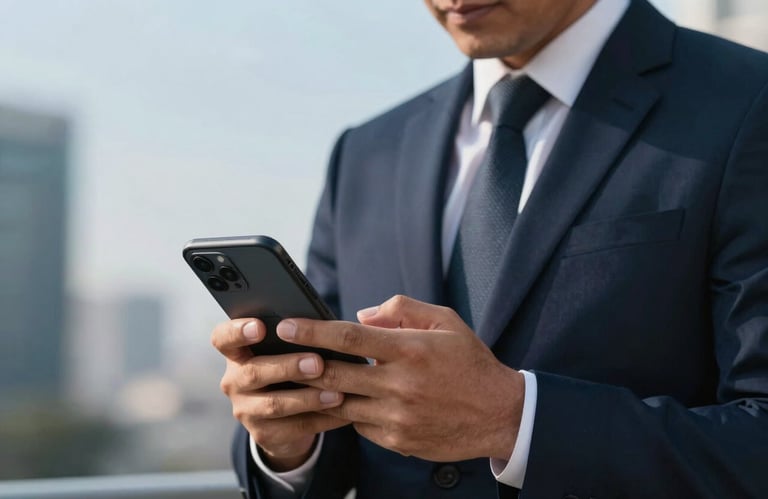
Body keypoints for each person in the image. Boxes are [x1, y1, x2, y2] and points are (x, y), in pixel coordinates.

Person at [211, 0, 768, 497]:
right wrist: (286, 446)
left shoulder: (747, 104)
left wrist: (513, 420)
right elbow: (337, 450)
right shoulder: (366, 152)